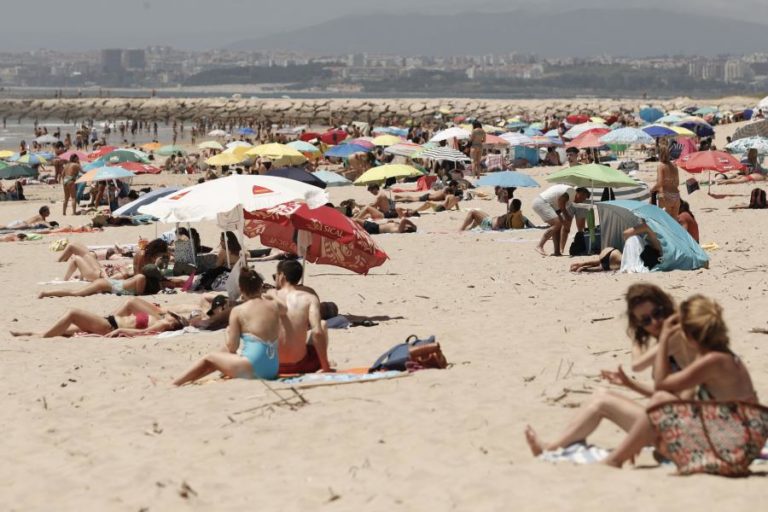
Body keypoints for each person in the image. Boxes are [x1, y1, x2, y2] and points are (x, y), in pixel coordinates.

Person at [525, 283, 694, 456]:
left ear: (664, 307)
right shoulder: (669, 339)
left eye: (657, 313)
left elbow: (638, 365)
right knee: (601, 396)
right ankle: (555, 445)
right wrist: (630, 385)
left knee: (602, 402)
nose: (655, 322)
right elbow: (668, 394)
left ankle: (550, 448)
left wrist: (636, 334)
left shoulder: (675, 336)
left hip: (685, 431)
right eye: (646, 320)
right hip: (678, 421)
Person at [604, 295, 759, 468]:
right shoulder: (721, 356)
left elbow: (662, 385)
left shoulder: (712, 361)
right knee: (660, 417)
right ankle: (623, 454)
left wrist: (664, 339)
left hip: (734, 452)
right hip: (736, 442)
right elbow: (683, 399)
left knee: (660, 401)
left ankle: (614, 460)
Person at [173, 268, 289, 385]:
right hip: (272, 367)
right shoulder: (274, 305)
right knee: (222, 357)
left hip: (254, 368)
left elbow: (232, 347)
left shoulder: (238, 311)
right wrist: (272, 294)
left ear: (241, 289)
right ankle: (190, 380)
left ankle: (175, 383)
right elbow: (285, 308)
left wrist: (229, 333)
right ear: (260, 286)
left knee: (210, 358)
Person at [11, 297, 185, 338]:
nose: (171, 317)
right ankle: (30, 333)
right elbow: (135, 302)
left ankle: (41, 337)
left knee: (73, 313)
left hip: (110, 326)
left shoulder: (162, 326)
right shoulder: (160, 318)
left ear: (174, 325)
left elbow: (143, 333)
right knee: (65, 331)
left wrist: (122, 330)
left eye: (174, 318)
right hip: (109, 322)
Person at [269, 259, 332, 373]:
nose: (275, 279)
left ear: (282, 276)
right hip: (301, 365)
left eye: (275, 276)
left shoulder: (270, 296)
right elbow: (317, 332)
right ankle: (324, 365)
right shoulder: (309, 298)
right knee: (322, 325)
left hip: (273, 365)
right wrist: (326, 367)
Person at [38, 264, 166, 299]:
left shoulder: (140, 276)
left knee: (77, 292)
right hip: (106, 284)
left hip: (108, 284)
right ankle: (46, 293)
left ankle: (47, 293)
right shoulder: (141, 278)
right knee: (76, 293)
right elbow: (138, 293)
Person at [532, 185, 590, 256]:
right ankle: (539, 245)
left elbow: (558, 211)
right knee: (557, 224)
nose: (582, 201)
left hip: (545, 204)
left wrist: (564, 223)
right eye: (582, 198)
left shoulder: (570, 200)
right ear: (580, 193)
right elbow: (560, 201)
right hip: (541, 202)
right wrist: (566, 215)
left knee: (558, 226)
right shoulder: (571, 191)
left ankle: (557, 252)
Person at [652, 144, 680, 218]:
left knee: (664, 223)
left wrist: (652, 189)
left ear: (659, 154)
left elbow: (660, 183)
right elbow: (677, 183)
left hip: (666, 196)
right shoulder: (674, 166)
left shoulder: (661, 166)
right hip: (676, 196)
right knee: (674, 223)